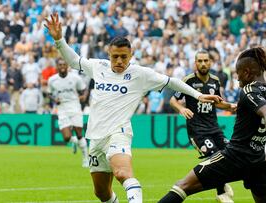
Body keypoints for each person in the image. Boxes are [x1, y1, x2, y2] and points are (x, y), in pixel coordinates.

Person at [45, 13, 222, 203]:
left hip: (118, 132)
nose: (119, 61)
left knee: (122, 173)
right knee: (101, 193)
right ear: (108, 54)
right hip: (95, 136)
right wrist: (59, 39)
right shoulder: (98, 66)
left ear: (131, 55)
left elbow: (172, 82)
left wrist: (198, 95)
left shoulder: (140, 74)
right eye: (115, 57)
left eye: (123, 57)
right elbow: (74, 61)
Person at [158, 47, 266, 203]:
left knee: (182, 185)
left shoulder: (249, 91)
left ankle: (222, 191)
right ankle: (222, 190)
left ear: (247, 72)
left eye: (238, 73)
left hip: (236, 156)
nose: (237, 79)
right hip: (259, 161)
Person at [170, 50, 236, 202]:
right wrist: (181, 108)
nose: (203, 63)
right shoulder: (188, 81)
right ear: (195, 63)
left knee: (230, 154)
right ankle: (221, 192)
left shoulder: (215, 80)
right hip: (197, 131)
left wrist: (230, 106)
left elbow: (218, 102)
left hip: (214, 128)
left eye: (206, 60)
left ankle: (222, 185)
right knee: (215, 157)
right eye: (200, 61)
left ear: (210, 62)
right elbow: (173, 101)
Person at [48, 58, 89, 167]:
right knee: (66, 138)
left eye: (64, 64)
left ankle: (85, 158)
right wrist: (54, 99)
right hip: (62, 108)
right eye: (60, 65)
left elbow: (84, 89)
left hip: (75, 106)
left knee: (79, 133)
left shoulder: (75, 78)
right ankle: (74, 142)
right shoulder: (52, 80)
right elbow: (49, 93)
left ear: (67, 66)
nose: (62, 66)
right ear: (57, 66)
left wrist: (84, 96)